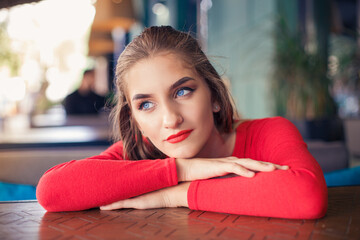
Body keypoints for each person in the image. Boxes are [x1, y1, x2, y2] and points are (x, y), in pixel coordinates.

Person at [36, 26, 327, 219]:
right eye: (146, 104)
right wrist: (181, 168)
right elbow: (51, 191)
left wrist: (172, 194)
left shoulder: (269, 132)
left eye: (183, 91)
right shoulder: (139, 151)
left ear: (214, 95)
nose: (171, 119)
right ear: (135, 120)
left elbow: (306, 196)